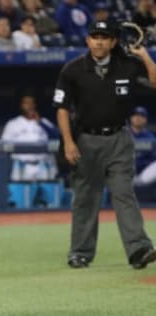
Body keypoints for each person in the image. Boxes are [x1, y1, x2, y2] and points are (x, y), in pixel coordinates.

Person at [53, 21, 156, 269]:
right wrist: (68, 142)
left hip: (119, 138)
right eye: (94, 37)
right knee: (86, 198)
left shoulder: (128, 65)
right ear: (87, 40)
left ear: (113, 42)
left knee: (124, 194)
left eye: (104, 37)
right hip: (86, 140)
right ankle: (80, 252)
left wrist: (146, 56)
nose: (99, 41)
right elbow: (62, 108)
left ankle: (138, 249)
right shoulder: (73, 69)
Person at [1, 94, 58, 181]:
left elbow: (57, 136)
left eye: (31, 103)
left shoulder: (44, 122)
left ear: (35, 105)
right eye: (26, 103)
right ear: (21, 105)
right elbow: (3, 146)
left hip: (43, 165)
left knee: (46, 194)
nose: (29, 106)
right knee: (21, 194)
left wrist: (40, 122)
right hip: (22, 166)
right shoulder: (13, 124)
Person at [130, 106, 156, 186]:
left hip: (142, 175)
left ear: (145, 120)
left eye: (141, 115)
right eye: (135, 115)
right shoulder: (121, 134)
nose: (138, 117)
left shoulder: (150, 137)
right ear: (131, 118)